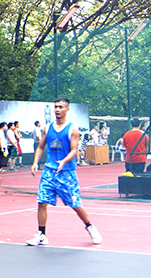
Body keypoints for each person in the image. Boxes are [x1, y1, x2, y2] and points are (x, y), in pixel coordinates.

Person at [27, 98, 102, 246]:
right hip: (49, 171)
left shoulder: (72, 129)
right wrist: (35, 162)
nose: (57, 109)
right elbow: (41, 147)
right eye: (56, 107)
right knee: (42, 202)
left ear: (67, 109)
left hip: (66, 172)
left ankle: (90, 227)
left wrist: (64, 161)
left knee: (75, 204)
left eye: (60, 107)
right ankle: (42, 235)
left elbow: (74, 150)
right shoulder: (47, 128)